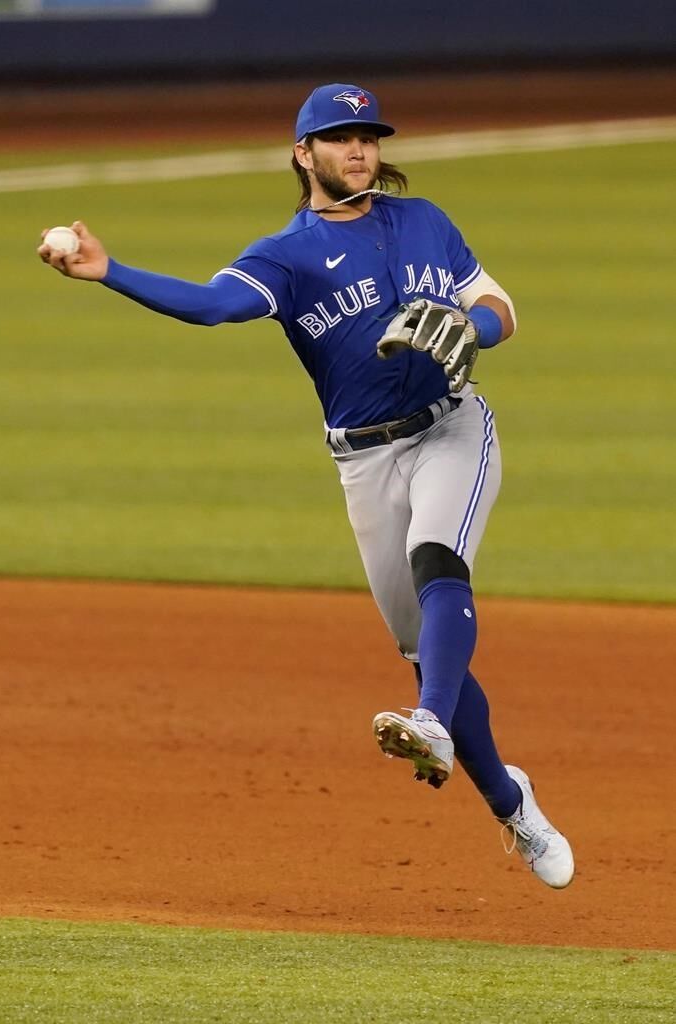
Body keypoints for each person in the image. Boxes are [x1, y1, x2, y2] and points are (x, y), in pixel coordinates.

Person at [38, 83, 574, 889]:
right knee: (422, 647)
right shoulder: (285, 256)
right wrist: (109, 271)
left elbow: (497, 305)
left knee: (438, 558)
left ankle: (427, 721)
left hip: (451, 427)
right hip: (362, 460)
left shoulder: (426, 219)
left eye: (367, 136)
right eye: (339, 137)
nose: (358, 149)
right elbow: (215, 305)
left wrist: (475, 328)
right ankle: (510, 802)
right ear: (303, 153)